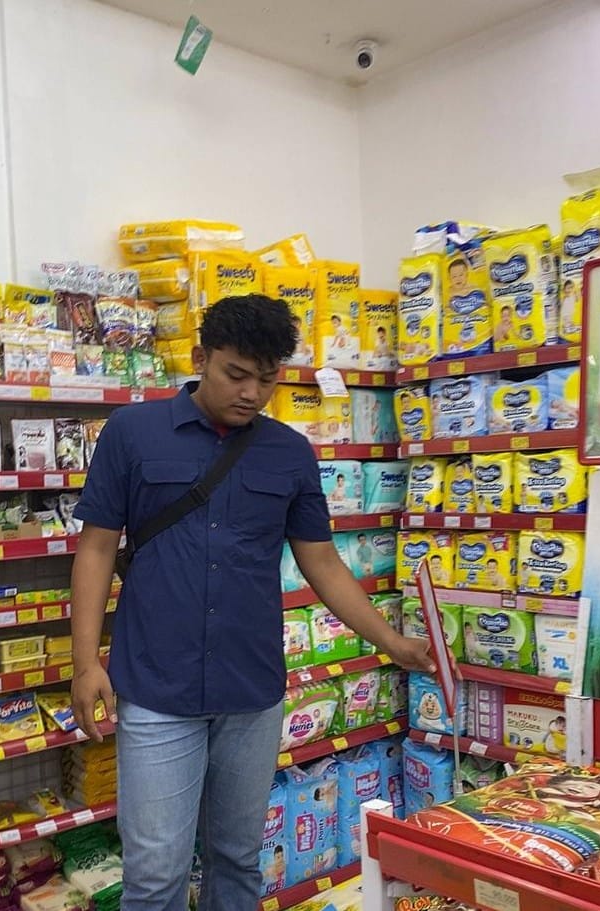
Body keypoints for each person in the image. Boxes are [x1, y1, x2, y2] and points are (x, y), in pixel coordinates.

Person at [69, 294, 435, 911]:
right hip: (157, 687)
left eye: (266, 380)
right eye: (235, 374)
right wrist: (85, 663)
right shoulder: (132, 433)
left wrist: (392, 642)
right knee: (154, 876)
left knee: (237, 861)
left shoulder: (289, 452)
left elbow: (322, 562)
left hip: (251, 690)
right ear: (200, 359)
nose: (251, 393)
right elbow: (97, 548)